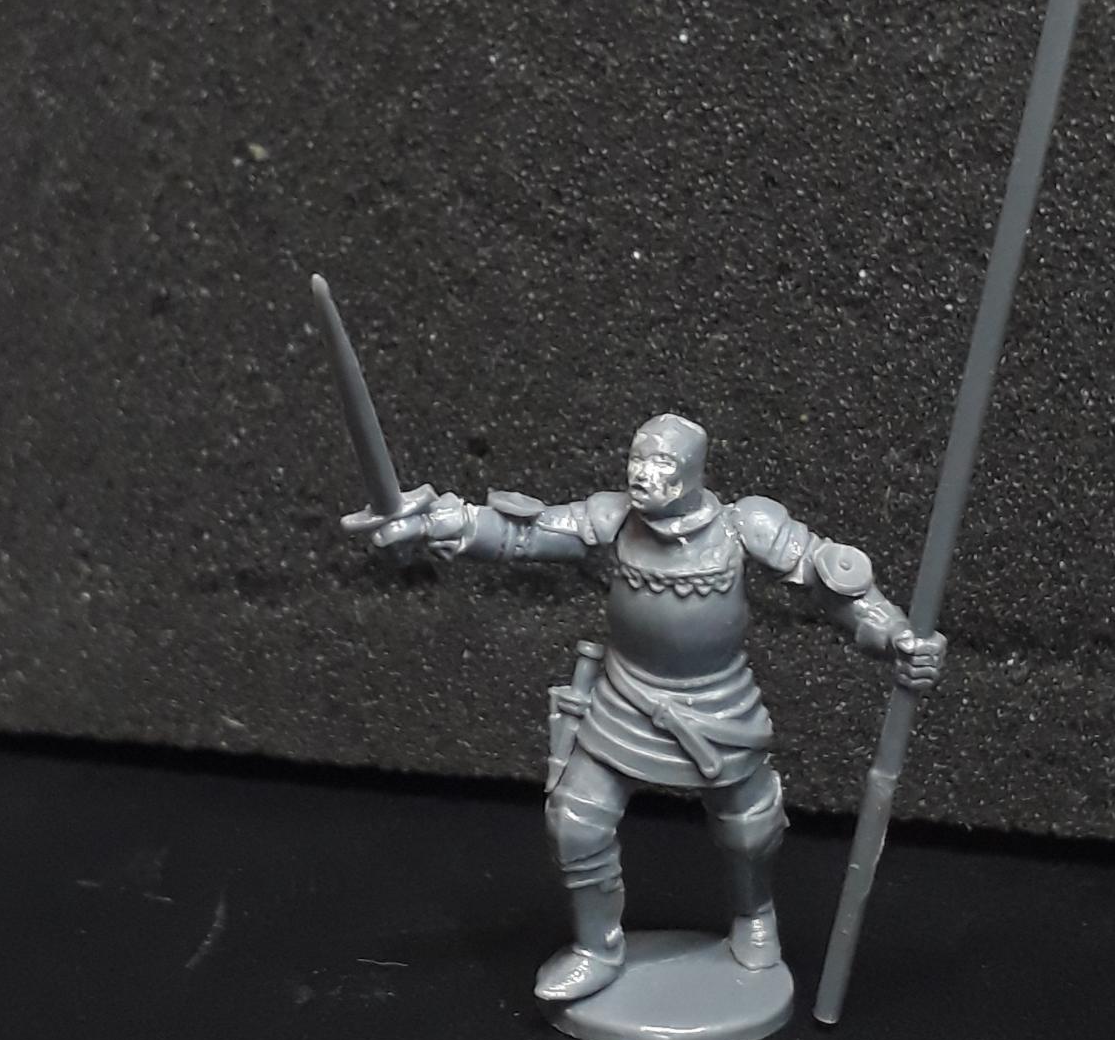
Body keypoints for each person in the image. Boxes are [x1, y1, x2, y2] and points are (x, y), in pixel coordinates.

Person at [343, 412, 946, 1003]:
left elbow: (834, 582)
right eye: (636, 459)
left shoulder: (747, 527)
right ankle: (597, 949)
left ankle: (755, 916)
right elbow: (524, 533)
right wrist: (443, 522)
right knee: (575, 823)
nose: (642, 474)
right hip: (625, 699)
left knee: (751, 829)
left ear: (694, 471)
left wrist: (896, 636)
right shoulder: (611, 519)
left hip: (719, 706)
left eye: (660, 463)